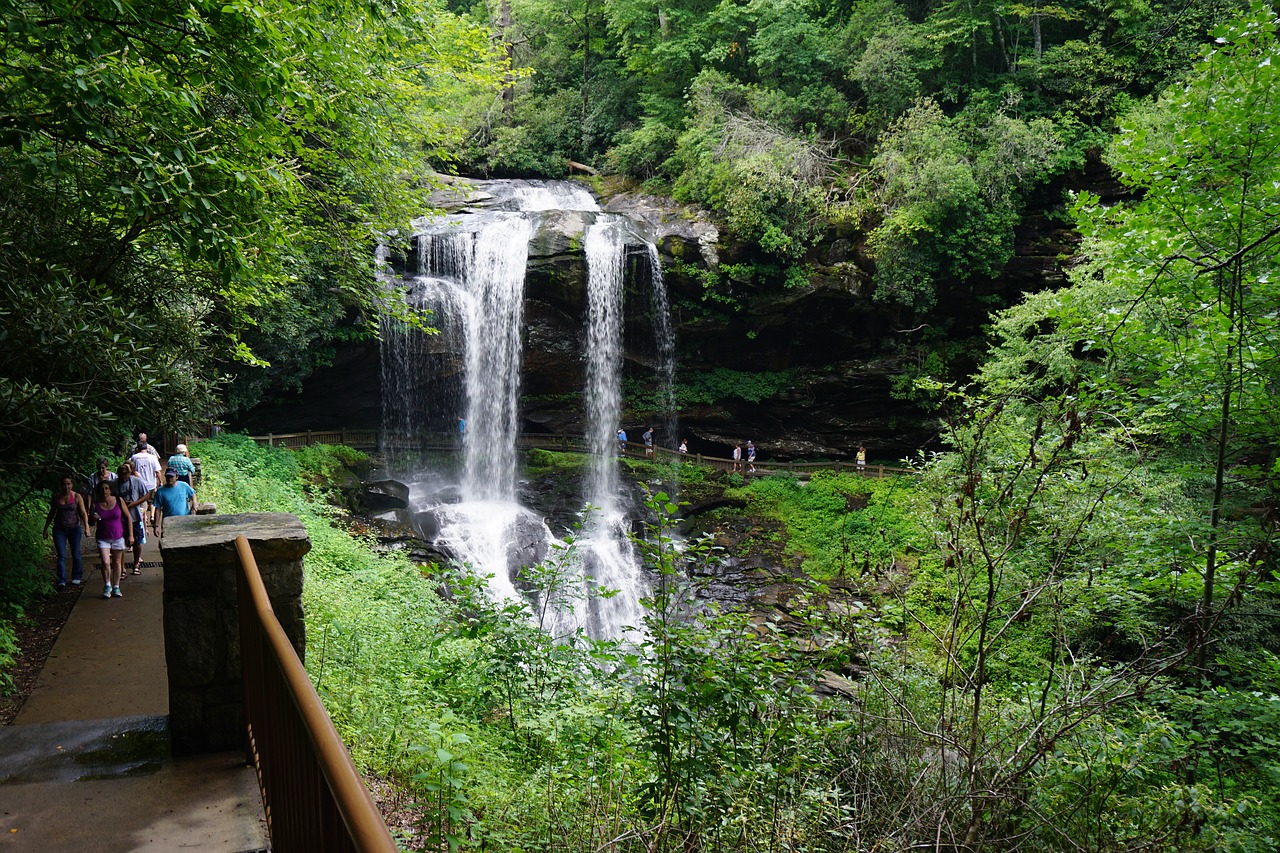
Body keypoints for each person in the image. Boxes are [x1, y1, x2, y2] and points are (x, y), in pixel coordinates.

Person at [44, 475, 90, 590]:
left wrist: (87, 527)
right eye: (64, 484)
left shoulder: (77, 496)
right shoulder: (56, 497)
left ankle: (76, 576)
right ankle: (61, 579)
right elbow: (51, 513)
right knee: (61, 555)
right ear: (61, 485)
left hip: (74, 528)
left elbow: (83, 513)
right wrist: (45, 528)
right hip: (59, 529)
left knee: (76, 554)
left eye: (68, 484)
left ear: (72, 485)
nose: (66, 486)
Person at [91, 480, 132, 598]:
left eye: (106, 488)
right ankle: (107, 585)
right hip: (102, 537)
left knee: (117, 562)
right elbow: (90, 521)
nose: (104, 491)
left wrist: (131, 535)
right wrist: (93, 518)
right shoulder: (95, 504)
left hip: (118, 536)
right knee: (105, 562)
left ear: (110, 490)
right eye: (102, 489)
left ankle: (116, 586)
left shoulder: (119, 501)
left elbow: (128, 517)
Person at [115, 462, 151, 575]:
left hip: (134, 515)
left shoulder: (136, 481)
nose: (124, 477)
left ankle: (136, 563)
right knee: (120, 543)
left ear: (129, 473)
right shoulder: (114, 484)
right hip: (119, 518)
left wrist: (134, 503)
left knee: (137, 541)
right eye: (121, 475)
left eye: (125, 474)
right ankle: (122, 568)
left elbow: (147, 495)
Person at [154, 468, 196, 536]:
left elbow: (193, 493)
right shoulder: (160, 491)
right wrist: (156, 526)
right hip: (168, 522)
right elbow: (158, 509)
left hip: (184, 520)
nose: (169, 478)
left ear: (177, 477)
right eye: (167, 476)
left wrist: (194, 502)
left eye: (171, 477)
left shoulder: (184, 485)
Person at [130, 441, 163, 527]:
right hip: (151, 484)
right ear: (147, 448)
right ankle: (152, 515)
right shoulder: (152, 457)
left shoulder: (134, 457)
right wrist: (161, 481)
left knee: (141, 502)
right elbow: (157, 471)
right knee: (152, 501)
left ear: (138, 448)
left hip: (138, 484)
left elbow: (130, 469)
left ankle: (144, 518)